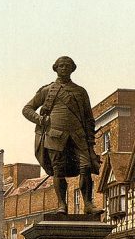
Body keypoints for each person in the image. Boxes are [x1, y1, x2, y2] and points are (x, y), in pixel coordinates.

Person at [22, 56, 103, 215]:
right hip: (55, 136)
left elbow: (88, 118)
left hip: (78, 137)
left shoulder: (80, 91)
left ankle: (88, 204)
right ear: (56, 68)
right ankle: (62, 205)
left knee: (86, 167)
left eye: (67, 66)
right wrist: (40, 119)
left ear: (72, 68)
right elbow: (27, 109)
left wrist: (91, 141)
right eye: (61, 66)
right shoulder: (47, 90)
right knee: (58, 170)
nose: (64, 68)